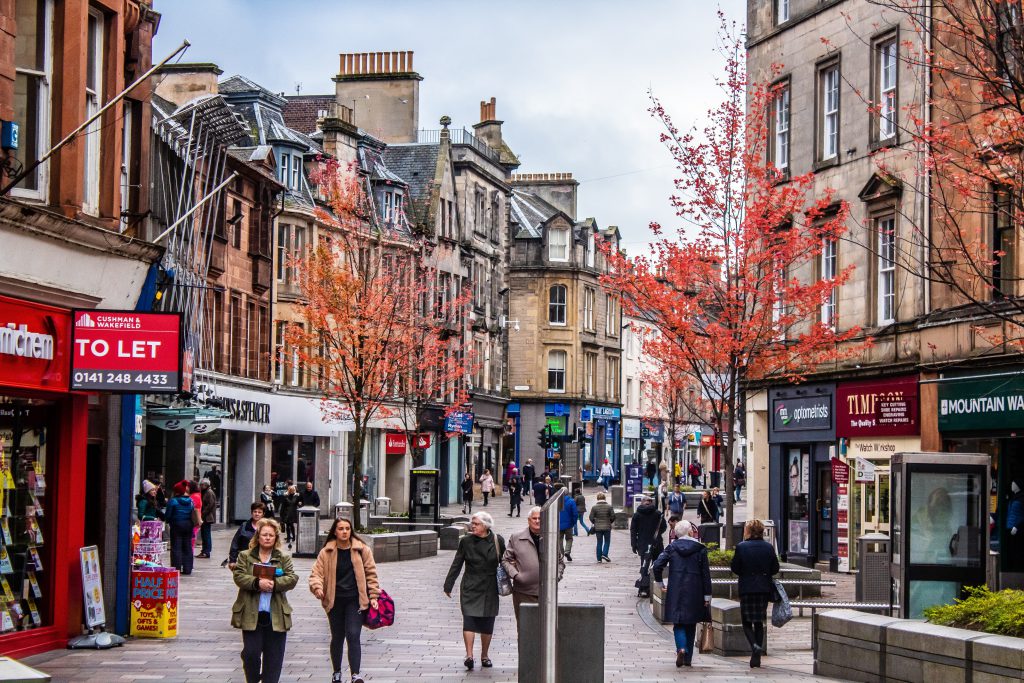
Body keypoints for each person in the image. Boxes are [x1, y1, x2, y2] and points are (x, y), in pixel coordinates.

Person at [309, 517, 379, 683]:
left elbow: (371, 573)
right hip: (334, 601)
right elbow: (316, 574)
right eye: (341, 528)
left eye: (347, 528)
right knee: (338, 636)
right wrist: (317, 587)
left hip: (355, 600)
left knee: (353, 634)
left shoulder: (361, 550)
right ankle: (337, 672)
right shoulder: (327, 552)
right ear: (335, 531)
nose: (344, 532)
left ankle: (355, 675)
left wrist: (374, 595)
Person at [231, 518, 298, 683]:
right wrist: (257, 583)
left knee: (274, 660)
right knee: (251, 654)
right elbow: (239, 576)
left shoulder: (283, 557)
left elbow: (292, 578)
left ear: (276, 538)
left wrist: (274, 584)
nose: (267, 538)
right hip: (251, 613)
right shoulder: (245, 556)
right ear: (258, 536)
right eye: (264, 535)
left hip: (276, 615)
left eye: (271, 535)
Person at [444, 511, 506, 671]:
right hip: (470, 585)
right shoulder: (466, 541)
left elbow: (506, 561)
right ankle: (469, 656)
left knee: (487, 621)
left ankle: (485, 656)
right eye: (472, 523)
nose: (472, 526)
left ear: (486, 525)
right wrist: (448, 584)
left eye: (476, 523)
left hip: (490, 585)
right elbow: (457, 563)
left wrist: (516, 578)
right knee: (469, 619)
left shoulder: (497, 540)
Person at [653, 520, 713, 667]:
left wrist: (660, 583)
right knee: (691, 623)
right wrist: (707, 596)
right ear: (691, 532)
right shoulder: (700, 549)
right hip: (695, 590)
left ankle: (681, 648)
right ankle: (688, 659)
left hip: (676, 590)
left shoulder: (672, 547)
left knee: (678, 622)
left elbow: (657, 565)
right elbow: (706, 574)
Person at [731, 519, 780, 668]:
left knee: (746, 621)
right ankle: (756, 656)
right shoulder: (768, 547)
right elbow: (775, 568)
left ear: (748, 531)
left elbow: (735, 567)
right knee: (759, 621)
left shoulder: (741, 547)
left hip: (747, 588)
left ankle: (754, 645)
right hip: (763, 588)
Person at [502, 506, 564, 621]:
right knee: (525, 628)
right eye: (534, 518)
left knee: (546, 629)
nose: (537, 521)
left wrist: (556, 576)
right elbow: (505, 560)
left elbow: (560, 562)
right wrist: (516, 575)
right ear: (529, 520)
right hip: (523, 592)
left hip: (547, 592)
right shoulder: (516, 538)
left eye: (540, 518)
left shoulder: (551, 538)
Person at [630, 495, 667, 594]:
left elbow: (633, 530)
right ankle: (655, 586)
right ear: (651, 503)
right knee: (656, 565)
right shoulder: (657, 513)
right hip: (656, 544)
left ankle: (644, 588)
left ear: (642, 502)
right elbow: (664, 527)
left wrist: (634, 545)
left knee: (644, 566)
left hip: (643, 544)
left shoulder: (637, 514)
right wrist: (657, 534)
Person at [166, 480, 197, 576]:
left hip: (176, 525)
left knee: (176, 546)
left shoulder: (173, 501)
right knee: (187, 546)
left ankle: (176, 568)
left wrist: (168, 520)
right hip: (188, 525)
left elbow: (168, 515)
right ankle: (188, 568)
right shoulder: (191, 501)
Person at [228, 502, 266, 569]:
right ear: (251, 513)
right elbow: (235, 543)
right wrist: (232, 560)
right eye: (255, 512)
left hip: (262, 561)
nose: (257, 514)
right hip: (245, 560)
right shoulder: (244, 526)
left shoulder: (266, 527)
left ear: (263, 514)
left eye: (259, 512)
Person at [555, 484, 577, 562]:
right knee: (569, 538)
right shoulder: (571, 501)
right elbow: (575, 513)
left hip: (559, 524)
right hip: (569, 524)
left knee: (560, 539)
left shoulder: (556, 501)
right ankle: (567, 551)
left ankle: (561, 554)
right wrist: (573, 522)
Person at [198, 479, 218, 559]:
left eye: (201, 485)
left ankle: (206, 551)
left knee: (206, 534)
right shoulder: (205, 492)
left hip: (207, 517)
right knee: (204, 534)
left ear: (205, 485)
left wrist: (202, 514)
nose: (200, 486)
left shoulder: (209, 492)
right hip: (205, 516)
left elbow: (210, 505)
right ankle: (204, 551)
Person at [189, 479, 203, 551]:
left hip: (193, 521)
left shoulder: (194, 496)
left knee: (191, 538)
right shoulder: (196, 495)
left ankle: (190, 553)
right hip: (195, 521)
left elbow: (195, 509)